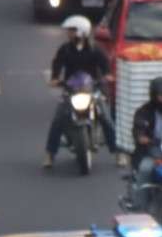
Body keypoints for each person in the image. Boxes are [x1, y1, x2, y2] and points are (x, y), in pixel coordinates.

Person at [45, 16, 112, 169]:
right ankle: (50, 154)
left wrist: (107, 75)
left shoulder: (95, 49)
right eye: (69, 31)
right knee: (58, 120)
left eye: (72, 30)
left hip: (92, 89)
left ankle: (118, 152)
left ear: (82, 32)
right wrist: (55, 78)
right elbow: (58, 63)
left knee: (106, 119)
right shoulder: (65, 49)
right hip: (71, 91)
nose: (68, 33)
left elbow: (105, 63)